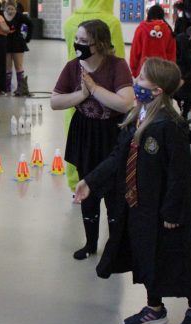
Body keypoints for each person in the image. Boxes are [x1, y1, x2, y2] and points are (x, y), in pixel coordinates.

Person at [75, 58, 191, 324]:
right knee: (147, 255)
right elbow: (117, 158)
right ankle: (154, 308)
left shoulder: (170, 126)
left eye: (142, 79)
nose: (136, 81)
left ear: (158, 90)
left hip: (169, 210)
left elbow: (180, 176)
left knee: (179, 257)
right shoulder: (138, 116)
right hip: (141, 205)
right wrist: (90, 181)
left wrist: (173, 214)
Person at [50, 20, 134, 260]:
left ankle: (116, 245)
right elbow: (55, 101)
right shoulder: (73, 67)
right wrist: (81, 95)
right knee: (88, 187)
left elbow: (125, 102)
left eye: (85, 41)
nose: (79, 45)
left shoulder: (117, 66)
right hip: (85, 133)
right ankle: (90, 243)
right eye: (77, 39)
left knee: (115, 192)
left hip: (113, 132)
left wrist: (95, 89)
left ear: (101, 43)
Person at [62, 0, 126, 196]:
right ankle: (102, 182)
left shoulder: (70, 21)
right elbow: (118, 57)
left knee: (75, 137)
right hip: (105, 92)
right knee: (107, 140)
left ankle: (76, 186)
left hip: (75, 86)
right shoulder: (111, 22)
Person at [129, 4, 175, 78]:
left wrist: (134, 70)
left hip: (143, 70)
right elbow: (171, 54)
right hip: (162, 71)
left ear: (149, 14)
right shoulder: (168, 30)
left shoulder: (141, 28)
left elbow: (135, 51)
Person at [3, 0, 33, 96]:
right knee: (7, 67)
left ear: (15, 8)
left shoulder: (20, 16)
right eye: (8, 9)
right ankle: (7, 87)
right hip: (6, 43)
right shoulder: (1, 15)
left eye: (12, 9)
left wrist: (28, 38)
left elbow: (30, 24)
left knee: (18, 66)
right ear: (5, 8)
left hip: (18, 43)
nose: (10, 11)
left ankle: (21, 88)